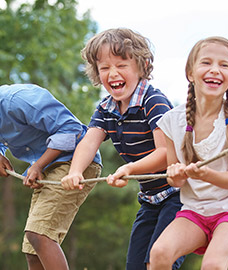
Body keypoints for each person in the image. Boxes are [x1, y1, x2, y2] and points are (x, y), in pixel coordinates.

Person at [0, 63, 102, 270]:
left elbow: (71, 129)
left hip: (75, 162)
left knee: (39, 235)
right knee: (32, 249)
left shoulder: (18, 100)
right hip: (50, 169)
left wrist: (39, 164)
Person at [60, 28, 184, 270]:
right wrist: (74, 171)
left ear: (142, 65)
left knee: (159, 261)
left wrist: (129, 168)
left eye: (121, 65)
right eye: (104, 68)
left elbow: (167, 154)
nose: (113, 73)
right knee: (135, 266)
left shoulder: (153, 102)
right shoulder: (106, 108)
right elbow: (89, 141)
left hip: (179, 196)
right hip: (150, 199)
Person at [149, 36, 228, 270]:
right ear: (190, 72)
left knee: (212, 265)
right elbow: (174, 180)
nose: (215, 70)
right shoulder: (172, 122)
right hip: (195, 211)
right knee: (159, 253)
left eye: (224, 65)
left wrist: (204, 174)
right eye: (206, 62)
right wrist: (177, 174)